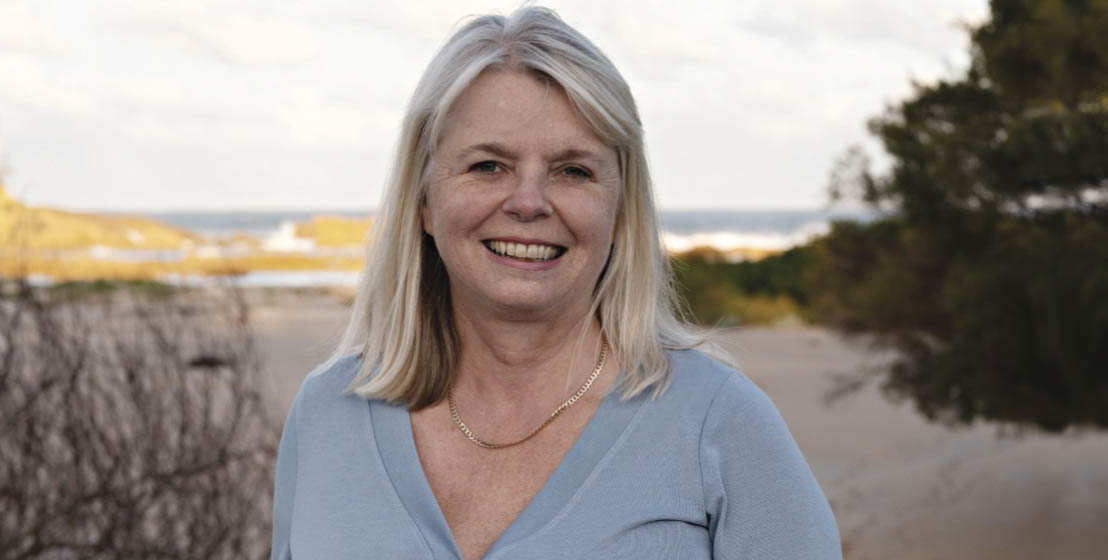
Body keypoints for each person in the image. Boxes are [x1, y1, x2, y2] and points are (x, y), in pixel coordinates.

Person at [271, 7, 840, 559]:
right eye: (488, 166)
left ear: (621, 210)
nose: (528, 203)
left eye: (574, 171)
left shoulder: (719, 422)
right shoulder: (327, 414)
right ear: (423, 199)